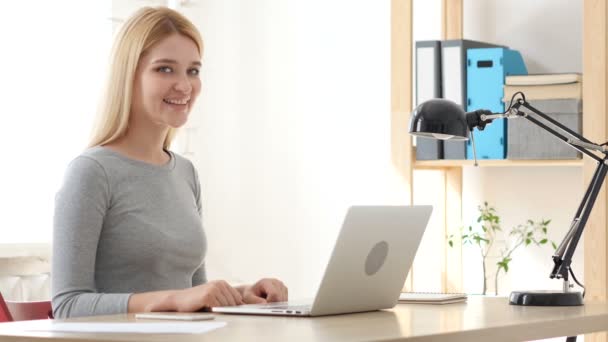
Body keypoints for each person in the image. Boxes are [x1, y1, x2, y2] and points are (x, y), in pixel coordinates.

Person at [51, 6, 288, 319]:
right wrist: (174, 299)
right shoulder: (92, 172)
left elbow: (194, 294)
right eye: (165, 69)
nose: (184, 85)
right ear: (129, 75)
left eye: (193, 70)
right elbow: (67, 305)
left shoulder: (185, 172)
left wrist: (243, 293)